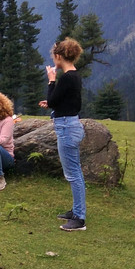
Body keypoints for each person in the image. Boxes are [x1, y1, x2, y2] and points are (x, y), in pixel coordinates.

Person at [39, 37, 86, 231]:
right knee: (75, 172)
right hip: (70, 123)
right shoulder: (74, 75)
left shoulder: (66, 77)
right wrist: (51, 101)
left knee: (73, 174)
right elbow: (59, 101)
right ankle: (76, 210)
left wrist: (51, 80)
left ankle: (79, 219)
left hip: (66, 127)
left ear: (59, 56)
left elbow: (53, 99)